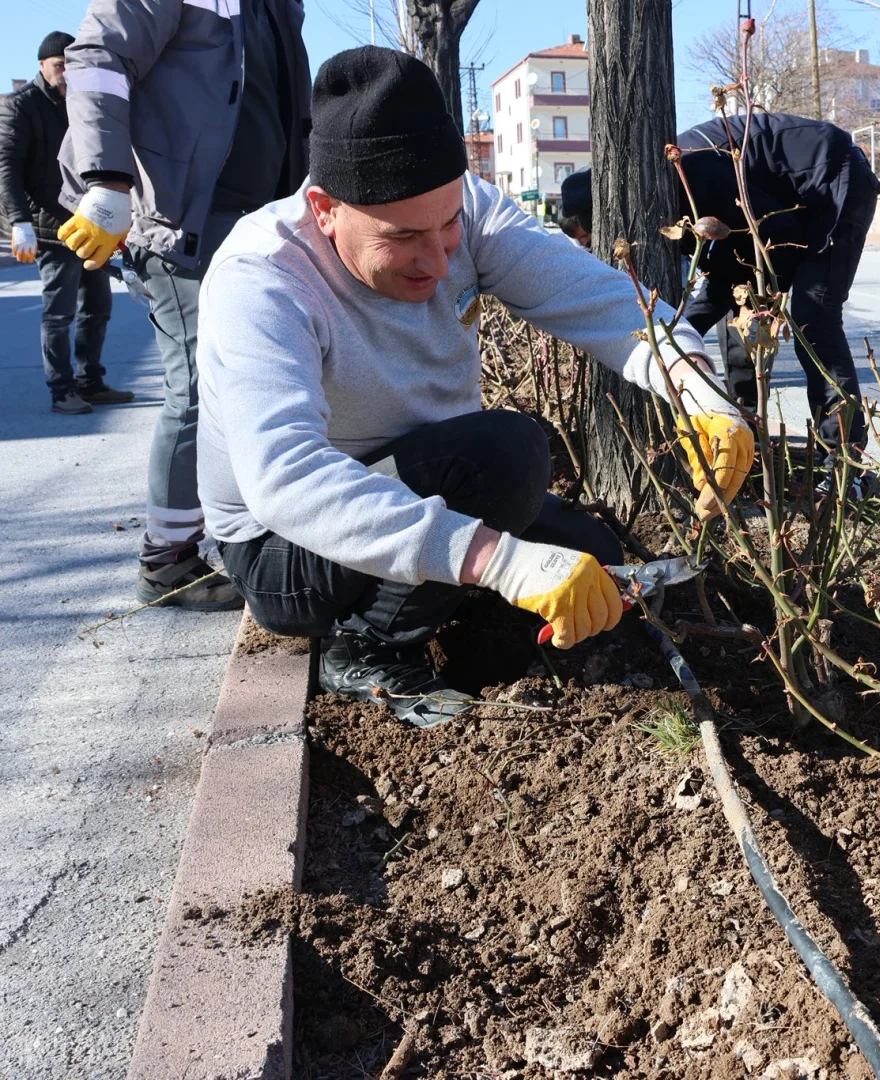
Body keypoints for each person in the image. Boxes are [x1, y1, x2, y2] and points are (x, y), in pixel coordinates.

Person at [196, 48, 752, 728]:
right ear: (324, 208)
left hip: (421, 476)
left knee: (592, 562)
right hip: (284, 550)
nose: (436, 258)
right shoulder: (263, 278)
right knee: (504, 455)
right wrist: (501, 560)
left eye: (448, 225)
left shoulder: (469, 209)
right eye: (401, 237)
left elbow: (598, 300)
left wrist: (703, 397)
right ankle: (367, 645)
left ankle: (461, 610)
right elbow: (284, 478)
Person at [56, 0, 312, 611]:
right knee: (201, 383)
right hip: (177, 221)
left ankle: (258, 531)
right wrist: (107, 178)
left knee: (263, 378)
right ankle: (166, 559)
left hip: (255, 219)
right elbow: (97, 57)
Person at [563, 113, 880, 476]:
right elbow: (733, 273)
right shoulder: (660, 190)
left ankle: (845, 463)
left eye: (591, 238)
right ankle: (746, 427)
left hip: (833, 179)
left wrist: (676, 332)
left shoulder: (690, 177)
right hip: (788, 200)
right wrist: (676, 333)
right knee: (740, 303)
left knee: (814, 314)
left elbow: (777, 240)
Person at [0, 31, 131, 415]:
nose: (65, 72)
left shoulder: (79, 102)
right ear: (41, 65)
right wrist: (18, 221)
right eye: (59, 65)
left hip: (89, 223)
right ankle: (62, 390)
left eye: (71, 65)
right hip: (49, 229)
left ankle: (90, 381)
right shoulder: (21, 106)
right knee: (58, 314)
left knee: (98, 307)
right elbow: (6, 170)